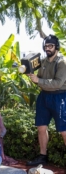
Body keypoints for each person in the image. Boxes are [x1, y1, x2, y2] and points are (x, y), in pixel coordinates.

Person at [26, 34, 66, 166]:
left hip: (60, 96)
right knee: (41, 127)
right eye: (46, 46)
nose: (48, 48)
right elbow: (39, 82)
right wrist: (32, 77)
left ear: (56, 47)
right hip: (44, 97)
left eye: (51, 46)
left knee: (64, 130)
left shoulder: (62, 62)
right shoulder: (42, 62)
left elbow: (58, 83)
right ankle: (43, 156)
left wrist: (39, 80)